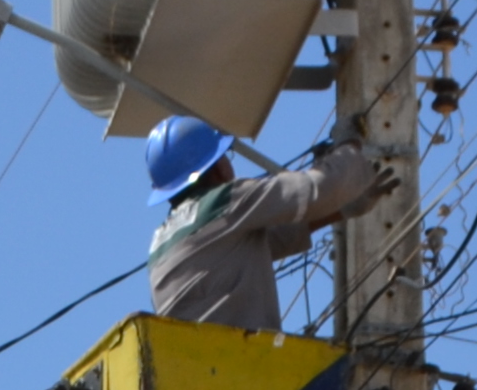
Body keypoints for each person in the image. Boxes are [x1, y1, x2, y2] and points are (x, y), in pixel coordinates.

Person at [140, 115, 389, 336]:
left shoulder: (162, 241)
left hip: (196, 374)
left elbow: (264, 243)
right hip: (239, 362)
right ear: (215, 168)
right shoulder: (224, 201)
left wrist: (341, 210)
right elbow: (321, 187)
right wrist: (349, 144)